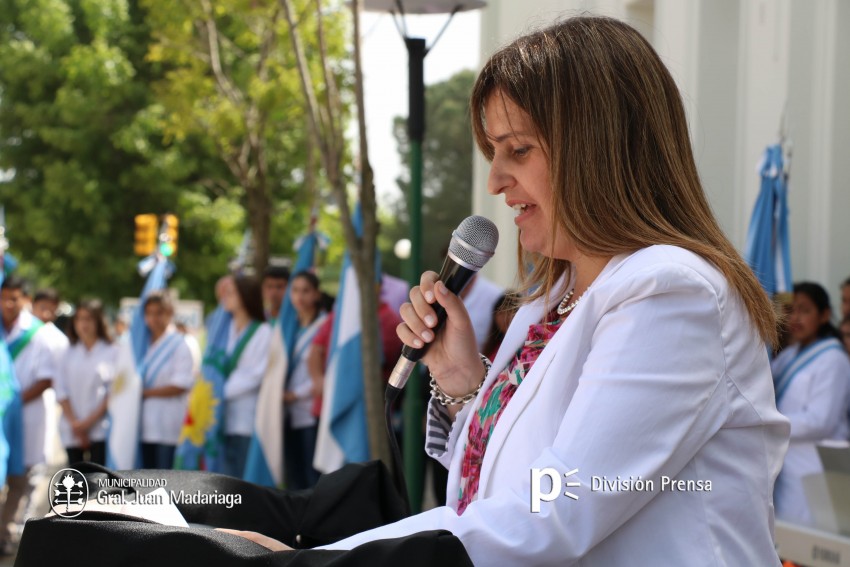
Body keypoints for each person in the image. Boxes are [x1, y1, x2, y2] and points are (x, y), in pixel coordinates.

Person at [227, 16, 790, 564]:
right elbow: (496, 489)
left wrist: (314, 558)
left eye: (518, 150)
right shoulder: (549, 301)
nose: (495, 180)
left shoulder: (670, 291)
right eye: (493, 152)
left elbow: (554, 507)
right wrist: (461, 383)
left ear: (599, 148)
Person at [772, 282, 850, 524]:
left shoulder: (834, 358)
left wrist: (770, 423)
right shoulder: (788, 355)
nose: (796, 317)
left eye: (805, 310)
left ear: (824, 315)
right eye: (791, 310)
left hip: (814, 466)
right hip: (788, 462)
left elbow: (820, 421)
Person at [0, 277, 57, 552]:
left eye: (14, 298)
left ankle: (6, 533)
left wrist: (10, 401)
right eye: (3, 298)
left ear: (25, 300)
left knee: (19, 478)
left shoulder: (38, 334)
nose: (8, 304)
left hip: (24, 414)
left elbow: (46, 379)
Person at [221, 275, 272, 478]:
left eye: (231, 292)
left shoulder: (263, 332)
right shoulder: (225, 331)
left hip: (246, 420)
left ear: (245, 296)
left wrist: (218, 393)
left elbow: (255, 375)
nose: (225, 297)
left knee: (243, 482)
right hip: (221, 418)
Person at [55, 299, 117, 466]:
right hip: (71, 428)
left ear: (98, 321)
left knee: (99, 478)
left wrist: (88, 423)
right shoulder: (67, 352)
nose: (84, 324)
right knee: (76, 479)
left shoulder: (113, 351)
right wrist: (76, 424)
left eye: (88, 319)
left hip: (101, 429)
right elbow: (61, 390)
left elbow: (113, 392)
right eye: (79, 319)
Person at [139, 291, 195, 470]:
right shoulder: (142, 344)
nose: (153, 318)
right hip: (143, 425)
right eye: (149, 313)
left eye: (159, 313)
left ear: (169, 313)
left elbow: (181, 384)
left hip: (168, 425)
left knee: (165, 479)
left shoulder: (180, 344)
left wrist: (144, 393)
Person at [282, 271, 327, 489]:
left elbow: (326, 371)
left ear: (316, 294)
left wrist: (295, 394)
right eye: (295, 290)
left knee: (312, 478)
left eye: (306, 291)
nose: (299, 296)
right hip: (287, 412)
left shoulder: (325, 324)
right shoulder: (288, 327)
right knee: (292, 476)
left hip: (311, 411)